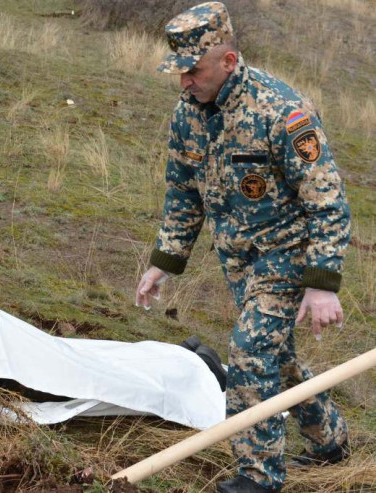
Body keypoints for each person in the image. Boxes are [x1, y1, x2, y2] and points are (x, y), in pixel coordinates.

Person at [135, 3, 350, 492]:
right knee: (276, 357)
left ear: (228, 61)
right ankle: (330, 441)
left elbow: (328, 201)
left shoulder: (282, 112)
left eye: (193, 70)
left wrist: (321, 285)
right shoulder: (188, 114)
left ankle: (259, 476)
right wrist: (163, 262)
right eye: (179, 72)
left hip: (288, 255)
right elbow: (182, 192)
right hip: (238, 259)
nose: (184, 82)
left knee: (251, 354)